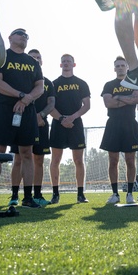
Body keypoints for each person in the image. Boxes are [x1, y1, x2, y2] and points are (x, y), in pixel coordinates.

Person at [0, 28, 45, 210]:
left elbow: (40, 87)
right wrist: (20, 95)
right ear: (10, 38)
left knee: (27, 153)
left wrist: (26, 100)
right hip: (4, 109)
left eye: (26, 34)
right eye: (19, 33)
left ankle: (27, 198)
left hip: (26, 111)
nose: (24, 36)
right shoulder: (0, 58)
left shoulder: (32, 62)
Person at [7, 49, 55, 207]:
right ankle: (14, 195)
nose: (36, 59)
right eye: (32, 57)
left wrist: (40, 116)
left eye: (38, 58)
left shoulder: (47, 83)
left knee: (39, 160)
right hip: (21, 121)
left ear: (41, 61)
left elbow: (51, 104)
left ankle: (37, 194)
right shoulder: (22, 80)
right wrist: (31, 117)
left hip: (41, 123)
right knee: (19, 159)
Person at [49, 54, 91, 204]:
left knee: (78, 160)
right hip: (57, 123)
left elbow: (87, 105)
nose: (66, 63)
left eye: (69, 61)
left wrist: (72, 117)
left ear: (74, 64)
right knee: (55, 160)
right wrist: (61, 119)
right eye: (64, 62)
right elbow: (50, 106)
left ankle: (80, 194)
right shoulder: (53, 84)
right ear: (60, 65)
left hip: (75, 124)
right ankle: (55, 194)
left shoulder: (81, 83)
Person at [101, 57, 138, 204]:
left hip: (129, 124)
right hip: (113, 124)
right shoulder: (109, 85)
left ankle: (130, 193)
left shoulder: (134, 83)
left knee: (131, 160)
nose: (120, 68)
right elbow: (108, 103)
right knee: (113, 160)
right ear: (114, 68)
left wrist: (118, 97)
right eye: (117, 66)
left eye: (122, 65)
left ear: (127, 67)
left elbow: (137, 99)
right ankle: (115, 194)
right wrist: (126, 98)